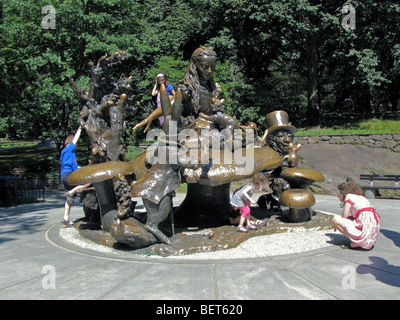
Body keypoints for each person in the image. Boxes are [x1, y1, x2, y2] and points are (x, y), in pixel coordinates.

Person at [332, 180, 381, 250]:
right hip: (373, 232)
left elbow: (344, 217)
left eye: (338, 193)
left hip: (365, 229)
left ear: (342, 192)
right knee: (349, 219)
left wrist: (337, 225)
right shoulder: (361, 197)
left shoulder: (349, 196)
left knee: (335, 219)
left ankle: (357, 242)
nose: (337, 196)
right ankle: (363, 241)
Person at [60, 125, 91, 227]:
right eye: (75, 144)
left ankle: (65, 218)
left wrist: (82, 168)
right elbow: (76, 138)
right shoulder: (68, 149)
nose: (76, 146)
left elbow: (75, 167)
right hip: (68, 175)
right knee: (89, 181)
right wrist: (80, 128)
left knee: (69, 198)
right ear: (70, 143)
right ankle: (71, 191)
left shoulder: (68, 155)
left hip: (65, 176)